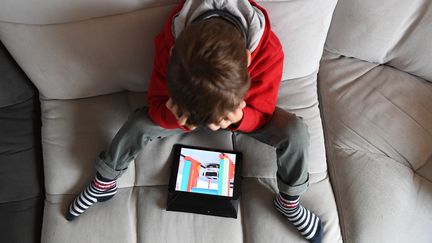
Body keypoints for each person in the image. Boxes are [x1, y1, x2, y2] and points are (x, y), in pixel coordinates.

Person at [66, 0, 323, 242]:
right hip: (186, 109)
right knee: (139, 122)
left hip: (240, 113)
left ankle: (289, 202)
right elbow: (156, 103)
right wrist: (177, 117)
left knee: (295, 132)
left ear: (246, 60)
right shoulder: (170, 45)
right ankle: (105, 181)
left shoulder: (268, 51)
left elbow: (263, 112)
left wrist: (239, 118)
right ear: (173, 54)